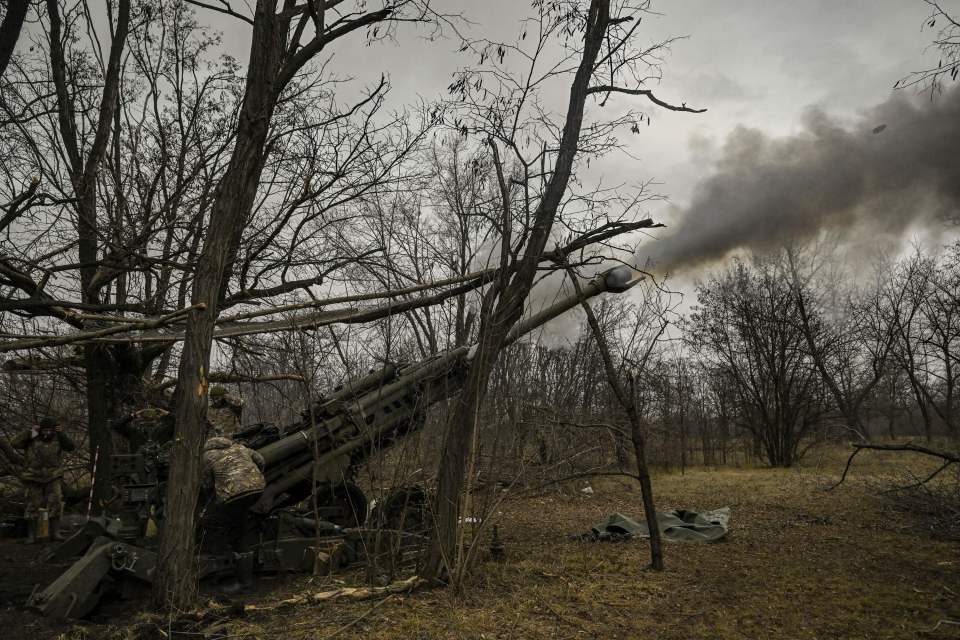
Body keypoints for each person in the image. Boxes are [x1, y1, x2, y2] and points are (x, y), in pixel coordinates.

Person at [200, 435, 266, 591]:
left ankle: (225, 578)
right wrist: (254, 476)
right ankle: (246, 582)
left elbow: (207, 483)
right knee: (240, 529)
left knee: (216, 528)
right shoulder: (240, 447)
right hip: (257, 489)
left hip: (232, 495)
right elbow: (261, 460)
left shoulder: (207, 456)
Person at [11, 416, 76, 543]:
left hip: (53, 476)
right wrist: (30, 432)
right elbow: (14, 443)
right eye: (44, 430)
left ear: (53, 430)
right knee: (33, 506)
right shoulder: (32, 437)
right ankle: (32, 536)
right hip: (33, 477)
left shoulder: (59, 438)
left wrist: (61, 433)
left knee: (56, 503)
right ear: (40, 429)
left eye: (49, 430)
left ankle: (55, 533)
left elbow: (71, 447)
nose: (47, 433)